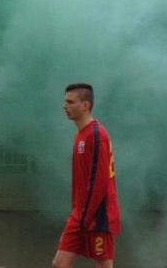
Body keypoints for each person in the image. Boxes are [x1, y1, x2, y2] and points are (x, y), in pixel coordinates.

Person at [52, 83, 120, 268]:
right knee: (59, 264)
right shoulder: (79, 135)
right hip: (79, 215)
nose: (64, 106)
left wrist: (85, 218)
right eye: (65, 101)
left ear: (85, 105)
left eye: (70, 102)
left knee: (103, 265)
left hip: (98, 215)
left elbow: (99, 182)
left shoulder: (96, 134)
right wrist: (79, 215)